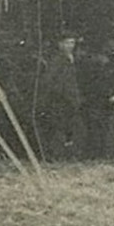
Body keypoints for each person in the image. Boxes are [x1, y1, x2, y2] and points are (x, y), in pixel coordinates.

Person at [35, 29, 85, 162]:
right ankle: (57, 156)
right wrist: (60, 93)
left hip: (70, 99)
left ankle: (68, 154)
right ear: (60, 44)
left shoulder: (71, 59)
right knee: (59, 128)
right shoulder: (57, 60)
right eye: (68, 43)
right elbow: (48, 80)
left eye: (72, 43)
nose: (71, 46)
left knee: (71, 128)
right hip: (60, 100)